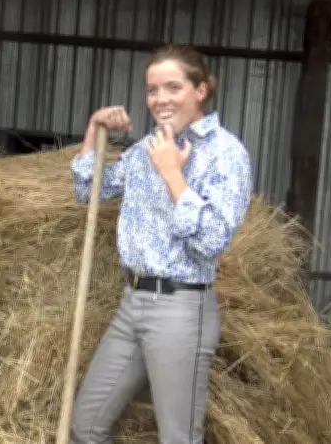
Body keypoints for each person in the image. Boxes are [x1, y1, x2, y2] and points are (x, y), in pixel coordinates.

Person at [68, 44, 253, 444]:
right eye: (153, 90)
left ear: (200, 90)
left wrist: (172, 174)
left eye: (173, 87)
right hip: (132, 302)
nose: (160, 99)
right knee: (86, 426)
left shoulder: (226, 154)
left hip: (180, 309)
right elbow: (89, 189)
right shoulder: (144, 149)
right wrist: (95, 127)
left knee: (178, 439)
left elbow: (210, 241)